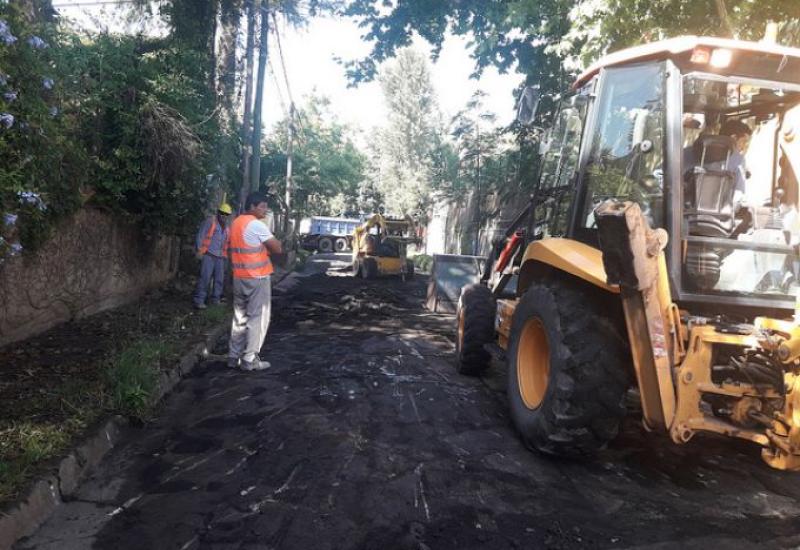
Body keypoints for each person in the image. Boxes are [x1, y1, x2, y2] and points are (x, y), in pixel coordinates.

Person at [228, 191, 283, 371]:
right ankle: (250, 358)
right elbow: (277, 248)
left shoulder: (236, 223)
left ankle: (233, 356)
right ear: (252, 207)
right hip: (256, 277)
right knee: (257, 318)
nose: (265, 210)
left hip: (239, 277)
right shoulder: (256, 225)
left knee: (239, 317)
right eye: (262, 206)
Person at [193, 202, 232, 309]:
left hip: (220, 258)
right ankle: (199, 300)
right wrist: (199, 251)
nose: (224, 216)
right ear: (219, 213)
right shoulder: (211, 222)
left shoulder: (227, 228)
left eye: (226, 214)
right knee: (205, 278)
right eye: (222, 213)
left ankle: (216, 300)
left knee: (219, 280)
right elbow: (201, 235)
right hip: (209, 255)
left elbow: (227, 243)